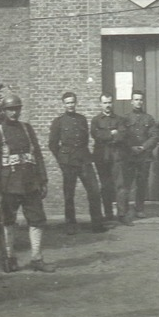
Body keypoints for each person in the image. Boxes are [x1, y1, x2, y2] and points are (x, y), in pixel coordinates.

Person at [0, 93, 54, 271]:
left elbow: (37, 155)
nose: (14, 113)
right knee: (8, 221)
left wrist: (43, 180)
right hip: (8, 186)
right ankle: (9, 258)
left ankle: (37, 258)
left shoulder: (27, 129)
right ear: (4, 111)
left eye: (16, 109)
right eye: (10, 110)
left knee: (37, 220)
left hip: (30, 184)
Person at [48, 91, 104, 234]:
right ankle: (70, 224)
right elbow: (53, 144)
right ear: (63, 104)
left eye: (72, 102)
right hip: (68, 162)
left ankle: (97, 224)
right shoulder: (58, 121)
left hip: (84, 159)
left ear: (76, 103)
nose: (70, 105)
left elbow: (85, 140)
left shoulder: (82, 119)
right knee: (69, 194)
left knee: (94, 191)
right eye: (67, 103)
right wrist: (62, 160)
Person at [91, 92, 129, 224]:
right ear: (100, 104)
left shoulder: (119, 119)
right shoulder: (96, 120)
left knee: (120, 185)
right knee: (105, 185)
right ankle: (108, 214)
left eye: (109, 102)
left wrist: (107, 135)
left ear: (112, 103)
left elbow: (122, 135)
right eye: (105, 103)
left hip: (117, 155)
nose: (107, 105)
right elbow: (96, 135)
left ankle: (122, 214)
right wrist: (111, 133)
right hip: (102, 156)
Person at [122, 89, 159, 221]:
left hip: (144, 156)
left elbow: (154, 136)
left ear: (143, 101)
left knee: (141, 183)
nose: (138, 102)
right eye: (136, 99)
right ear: (132, 101)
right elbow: (123, 136)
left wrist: (143, 147)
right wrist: (131, 147)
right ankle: (124, 209)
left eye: (140, 100)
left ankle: (140, 208)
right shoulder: (125, 118)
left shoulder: (148, 118)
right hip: (130, 156)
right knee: (127, 183)